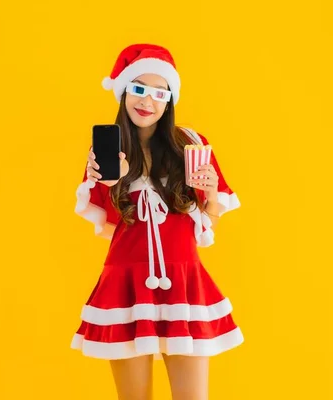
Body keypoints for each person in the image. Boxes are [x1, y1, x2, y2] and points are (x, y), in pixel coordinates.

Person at [70, 44, 243, 400]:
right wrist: (109, 183)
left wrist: (210, 196)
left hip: (183, 280)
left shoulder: (190, 146)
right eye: (138, 89)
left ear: (169, 101)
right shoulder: (107, 156)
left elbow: (204, 229)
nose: (147, 101)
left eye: (158, 93)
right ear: (122, 93)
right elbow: (110, 228)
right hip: (126, 283)